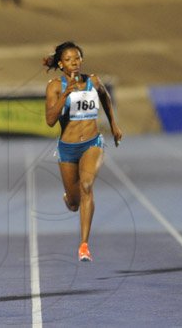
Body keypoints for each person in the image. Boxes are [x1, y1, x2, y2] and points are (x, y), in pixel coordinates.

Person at [43, 41, 123, 262]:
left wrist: (114, 125)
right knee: (74, 202)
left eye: (77, 58)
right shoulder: (54, 87)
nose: (74, 63)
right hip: (67, 148)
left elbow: (106, 98)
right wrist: (64, 95)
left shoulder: (93, 81)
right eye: (69, 60)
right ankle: (69, 198)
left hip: (92, 143)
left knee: (87, 185)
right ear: (61, 64)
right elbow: (50, 121)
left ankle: (84, 245)